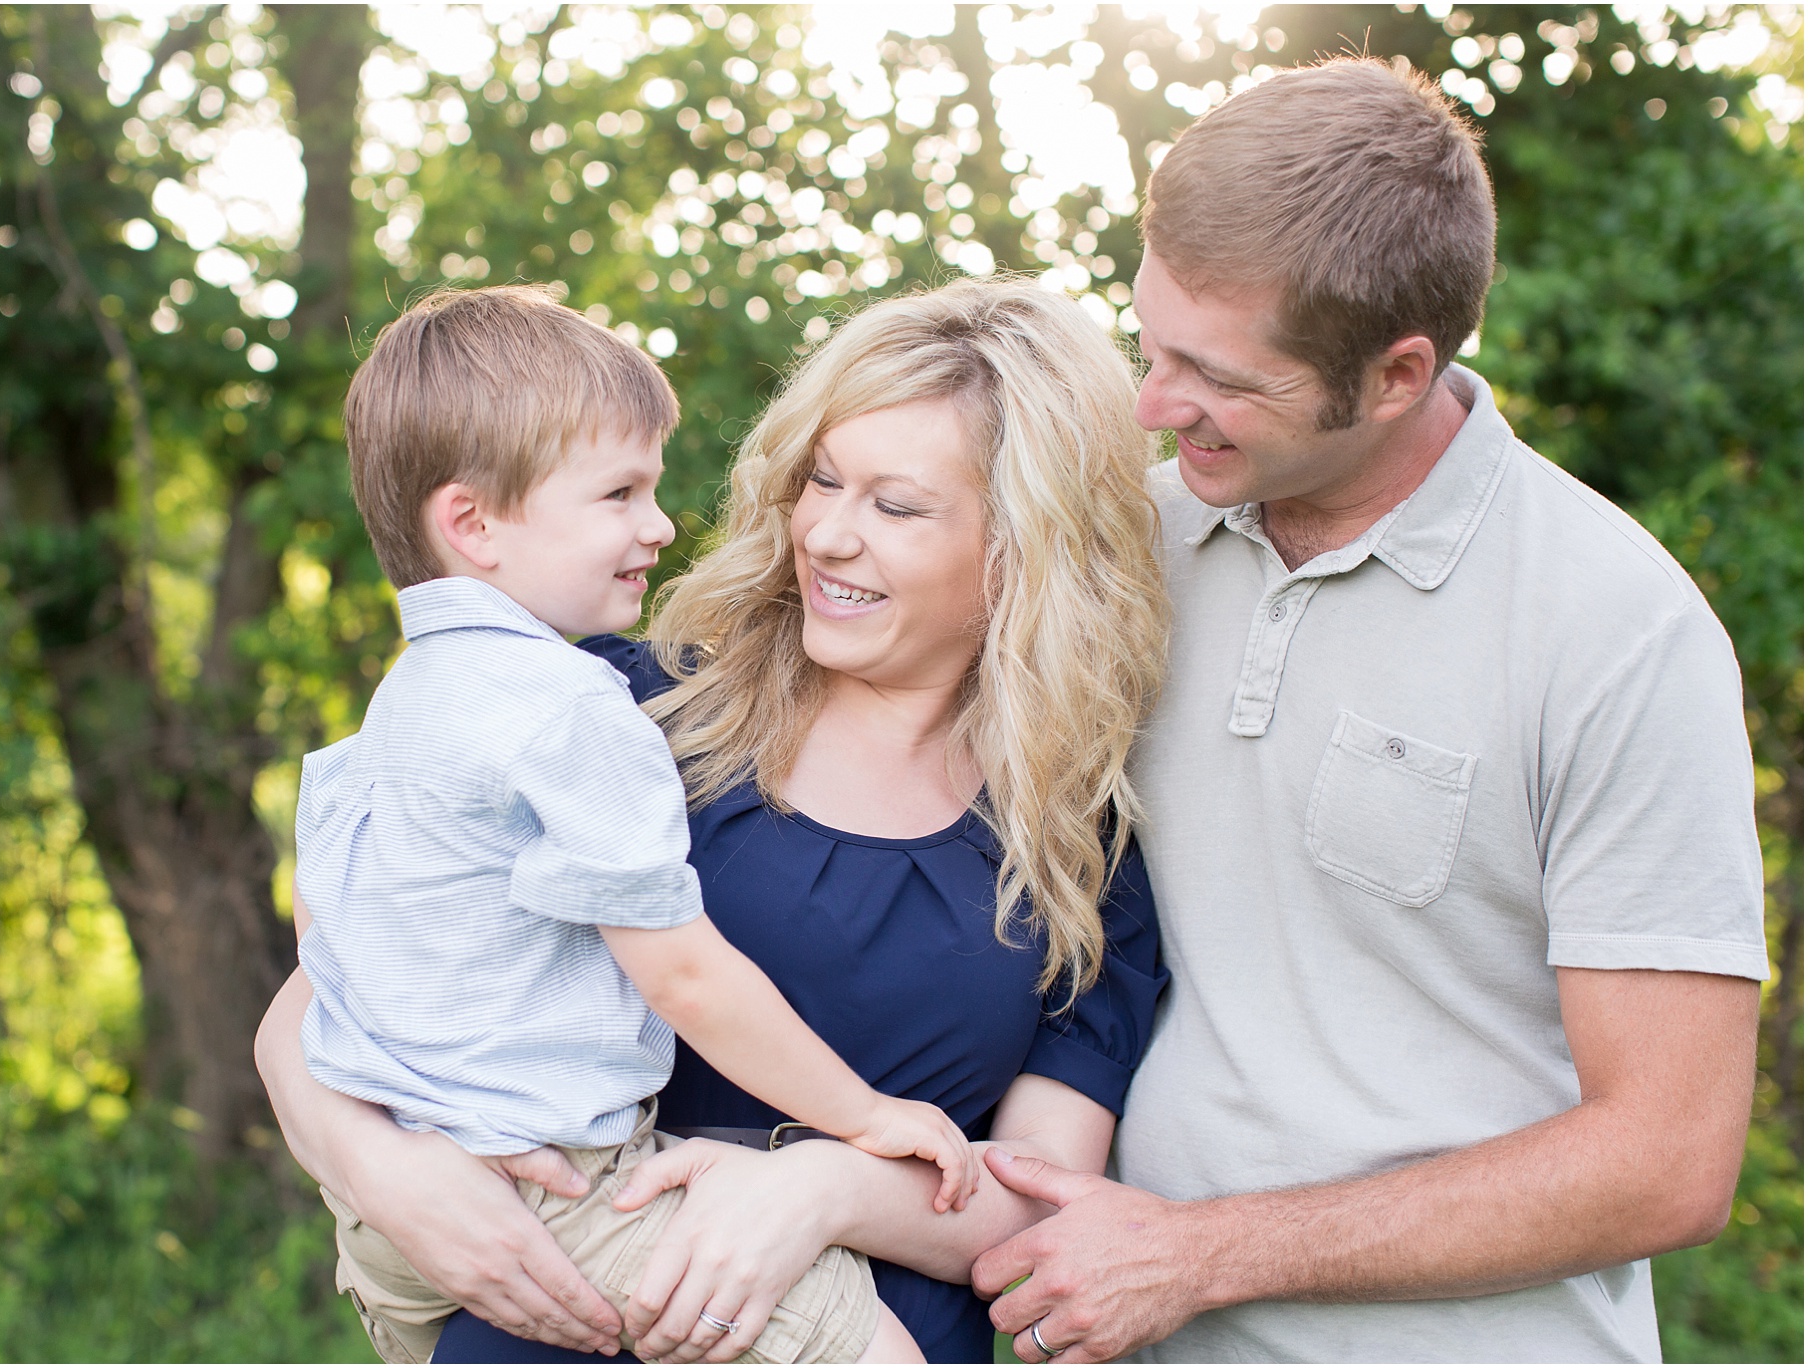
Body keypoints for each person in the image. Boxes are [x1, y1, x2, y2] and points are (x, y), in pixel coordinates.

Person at [970, 58, 1768, 1364]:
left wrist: (1202, 1251)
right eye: (1150, 341)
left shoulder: (1619, 632)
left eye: (1217, 375)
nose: (1154, 407)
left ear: (1395, 376)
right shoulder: (1132, 540)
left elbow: (1667, 1157)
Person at [257, 279, 1172, 1363]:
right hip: (581, 1311)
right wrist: (383, 1173)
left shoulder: (1071, 848)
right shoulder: (615, 707)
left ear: (1021, 548)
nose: (827, 534)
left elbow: (1039, 1216)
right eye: (820, 481)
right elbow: (317, 1005)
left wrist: (826, 1191)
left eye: (894, 506)